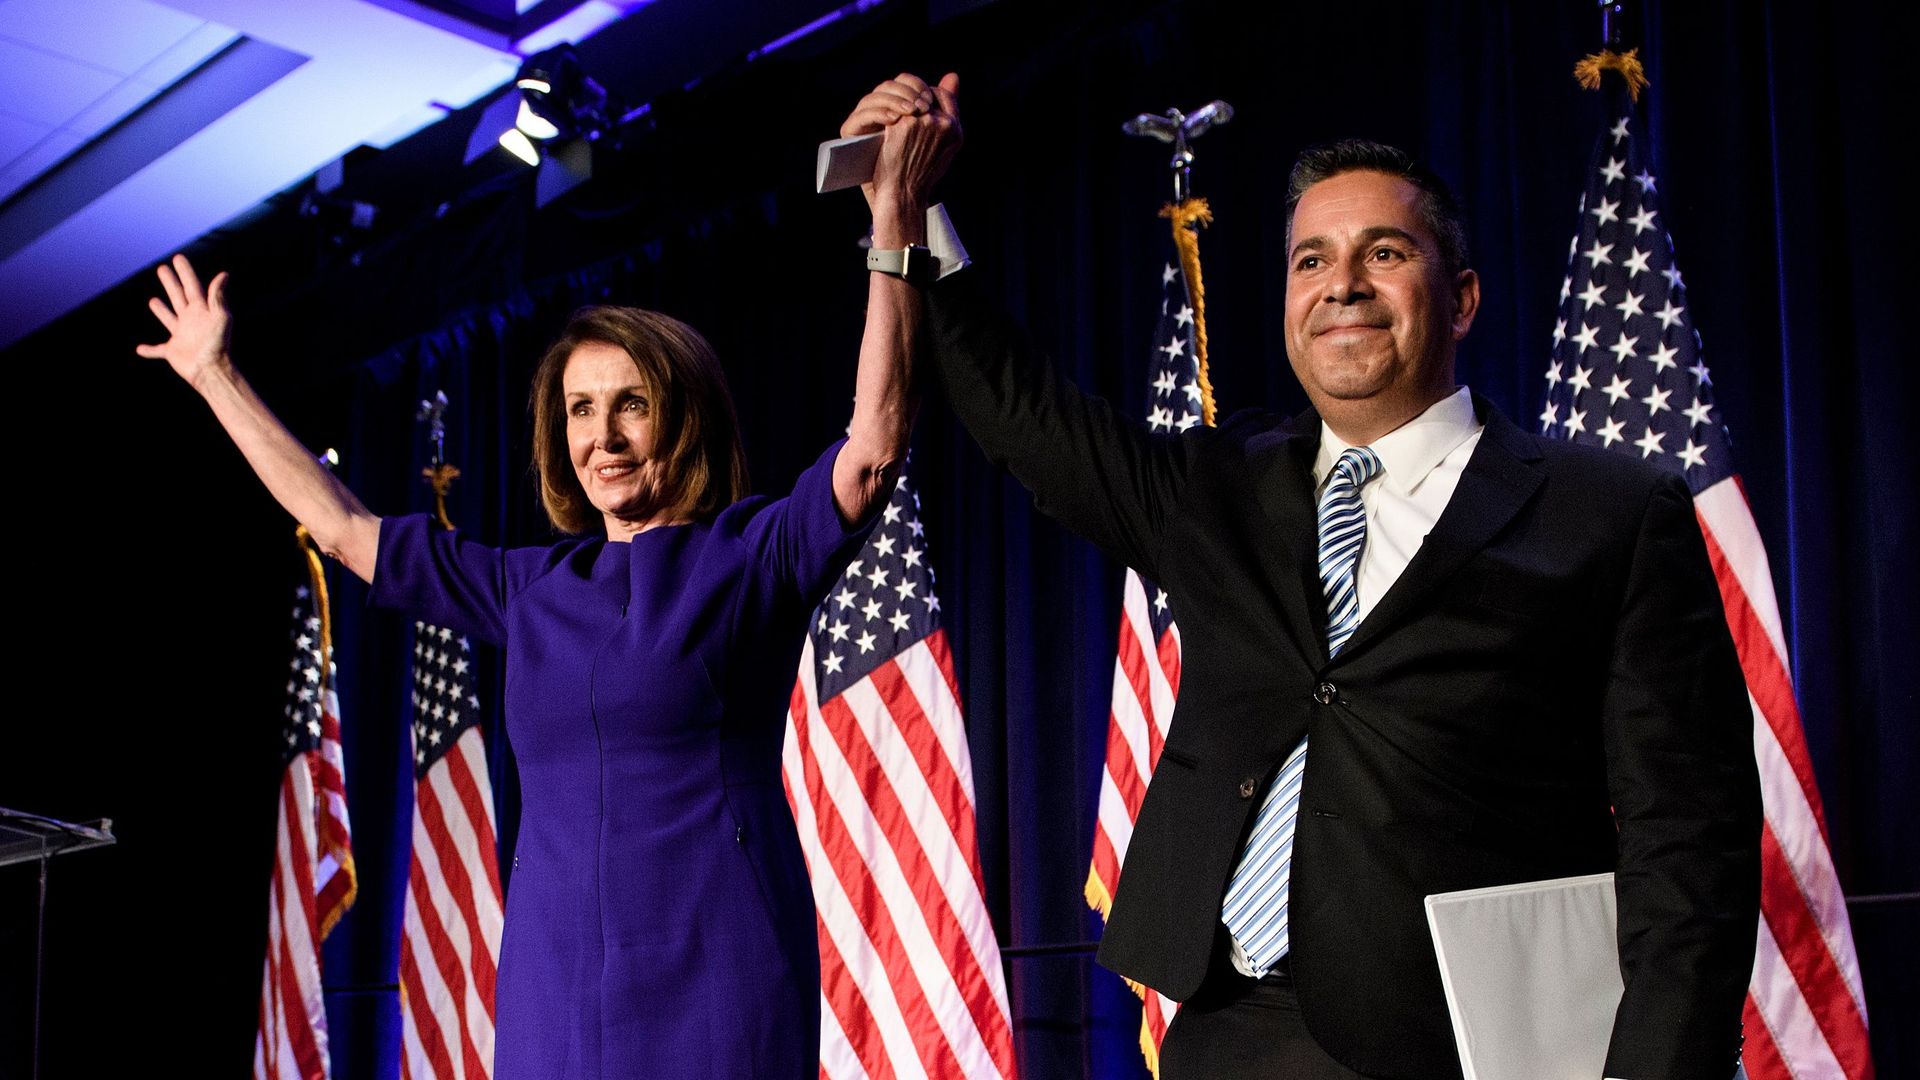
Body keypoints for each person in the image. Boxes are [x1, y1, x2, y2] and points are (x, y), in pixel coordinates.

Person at [850, 76, 1760, 1080]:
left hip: (1465, 1042)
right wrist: (909, 207)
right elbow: (1027, 414)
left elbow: (1691, 838)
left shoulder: (1610, 514)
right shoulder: (1219, 487)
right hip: (1226, 1030)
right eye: (1311, 260)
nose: (1344, 285)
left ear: (1459, 299)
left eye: (1385, 253)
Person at [137, 80, 958, 1078]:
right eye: (577, 410)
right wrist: (215, 376)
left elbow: (874, 447)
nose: (600, 438)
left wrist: (893, 219)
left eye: (629, 406)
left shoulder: (751, 557)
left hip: (721, 972)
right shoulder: (532, 588)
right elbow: (344, 527)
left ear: (683, 418)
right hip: (554, 986)